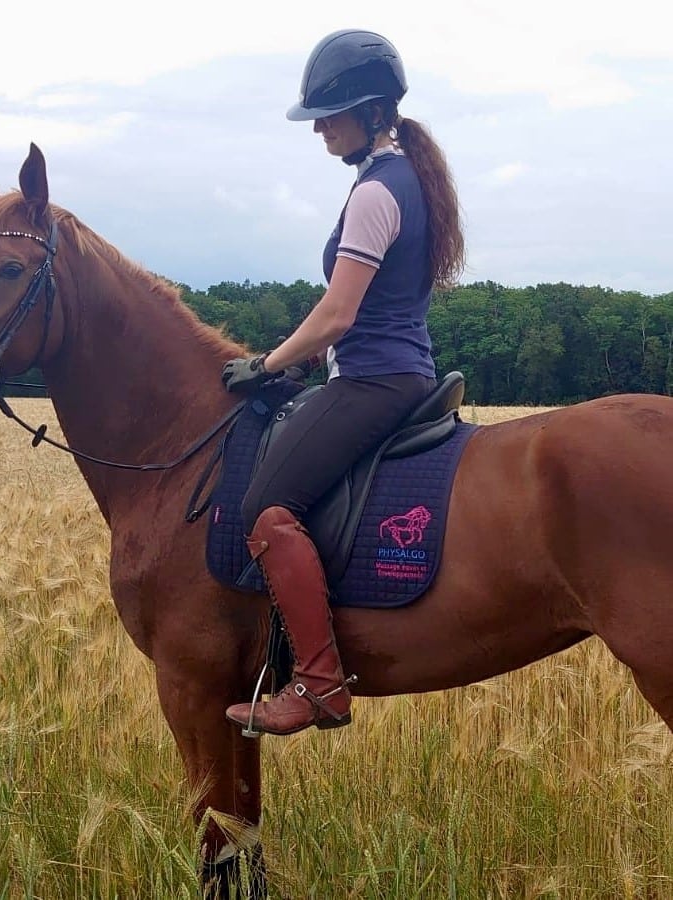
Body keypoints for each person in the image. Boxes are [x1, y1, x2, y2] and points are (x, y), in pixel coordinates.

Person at [221, 29, 465, 736]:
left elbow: (337, 313)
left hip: (376, 379)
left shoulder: (376, 191)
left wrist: (268, 362)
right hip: (398, 370)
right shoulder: (402, 178)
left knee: (267, 507)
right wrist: (297, 359)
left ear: (368, 111)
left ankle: (321, 685)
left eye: (329, 114)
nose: (320, 128)